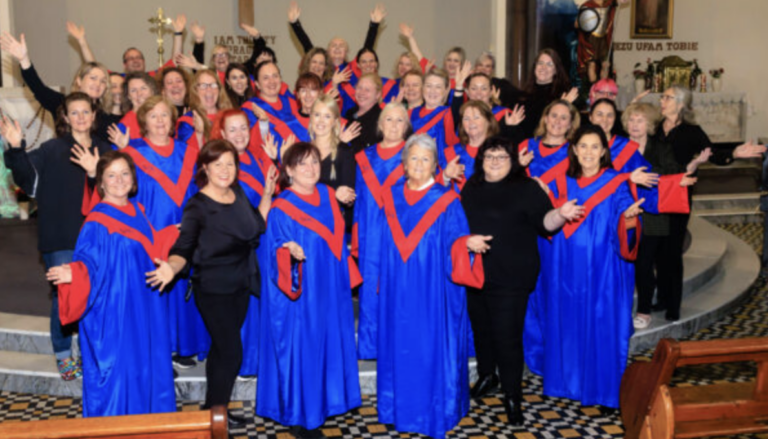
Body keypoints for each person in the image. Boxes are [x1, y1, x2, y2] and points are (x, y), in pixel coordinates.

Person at [148, 139, 273, 428]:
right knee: (232, 352)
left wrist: (266, 195)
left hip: (241, 284)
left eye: (230, 164)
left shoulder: (238, 192)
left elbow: (256, 227)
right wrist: (172, 267)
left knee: (220, 350)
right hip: (213, 289)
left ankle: (214, 410)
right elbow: (184, 247)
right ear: (205, 167)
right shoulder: (198, 205)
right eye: (218, 165)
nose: (225, 170)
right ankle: (215, 417)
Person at [460, 136, 582, 425]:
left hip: (512, 276)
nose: (494, 161)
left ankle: (513, 396)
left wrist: (560, 215)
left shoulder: (526, 187)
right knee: (482, 330)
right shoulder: (472, 187)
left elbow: (545, 223)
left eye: (502, 156)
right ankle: (488, 375)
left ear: (513, 160)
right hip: (476, 272)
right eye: (489, 156)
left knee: (507, 338)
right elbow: (458, 223)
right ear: (481, 160)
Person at [46, 151, 177, 417]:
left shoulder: (137, 209)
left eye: (125, 173)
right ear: (101, 183)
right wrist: (77, 273)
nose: (119, 180)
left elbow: (146, 250)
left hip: (145, 307)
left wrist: (178, 234)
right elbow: (90, 263)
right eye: (111, 175)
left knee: (146, 369)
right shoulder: (97, 222)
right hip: (116, 315)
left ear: (133, 179)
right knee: (121, 375)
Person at [526, 125, 644, 409]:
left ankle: (602, 389)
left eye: (595, 146)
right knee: (565, 322)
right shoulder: (560, 182)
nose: (589, 152)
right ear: (574, 150)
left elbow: (625, 216)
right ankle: (565, 383)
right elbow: (543, 221)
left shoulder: (616, 183)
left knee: (600, 324)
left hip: (601, 271)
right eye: (583, 146)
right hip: (562, 270)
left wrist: (628, 218)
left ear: (603, 151)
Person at [376, 134, 483, 439]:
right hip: (398, 289)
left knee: (430, 348)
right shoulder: (391, 197)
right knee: (400, 345)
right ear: (404, 163)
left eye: (426, 159)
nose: (419, 164)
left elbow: (456, 242)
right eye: (414, 158)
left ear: (436, 165)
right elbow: (382, 246)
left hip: (433, 291)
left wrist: (467, 244)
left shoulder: (447, 200)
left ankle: (435, 409)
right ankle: (398, 408)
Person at [2, 92, 112, 381]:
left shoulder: (106, 149)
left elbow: (118, 193)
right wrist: (15, 149)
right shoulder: (52, 149)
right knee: (64, 296)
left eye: (85, 112)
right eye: (74, 112)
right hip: (61, 235)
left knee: (98, 294)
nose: (80, 117)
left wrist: (94, 173)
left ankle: (95, 351)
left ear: (93, 115)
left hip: (98, 237)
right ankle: (64, 354)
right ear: (65, 117)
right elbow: (27, 182)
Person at [257, 142, 361, 438]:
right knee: (303, 347)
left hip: (330, 288)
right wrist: (286, 250)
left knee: (327, 344)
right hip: (301, 292)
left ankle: (324, 402)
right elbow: (272, 253)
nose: (311, 168)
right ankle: (300, 415)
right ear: (288, 170)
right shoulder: (281, 208)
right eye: (302, 164)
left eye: (315, 162)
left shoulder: (329, 195)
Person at [111, 96, 210, 368]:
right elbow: (127, 197)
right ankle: (159, 353)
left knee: (183, 286)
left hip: (186, 230)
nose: (160, 121)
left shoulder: (188, 152)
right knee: (156, 289)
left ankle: (184, 345)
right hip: (152, 233)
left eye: (165, 115)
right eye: (153, 116)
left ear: (173, 120)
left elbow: (199, 192)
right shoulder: (133, 153)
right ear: (143, 121)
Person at [653, 85, 765, 321]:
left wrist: (734, 153)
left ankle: (673, 305)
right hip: (655, 194)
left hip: (678, 194)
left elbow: (712, 152)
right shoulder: (654, 128)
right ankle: (661, 298)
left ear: (681, 104)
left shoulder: (692, 132)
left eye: (668, 97)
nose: (662, 100)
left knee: (673, 251)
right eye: (662, 96)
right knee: (658, 251)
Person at [624, 103, 708, 329]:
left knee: (644, 264)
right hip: (624, 214)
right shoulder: (618, 147)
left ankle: (643, 310)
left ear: (650, 124)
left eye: (640, 120)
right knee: (624, 264)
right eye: (631, 120)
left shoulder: (661, 147)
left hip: (654, 215)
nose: (634, 124)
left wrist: (650, 176)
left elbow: (672, 172)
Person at [210, 109, 278, 379]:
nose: (239, 134)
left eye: (243, 128)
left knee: (260, 300)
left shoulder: (255, 157)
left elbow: (275, 192)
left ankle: (262, 358)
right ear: (223, 133)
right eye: (233, 129)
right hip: (239, 245)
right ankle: (247, 363)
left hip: (264, 242)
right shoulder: (219, 165)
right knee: (245, 304)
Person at [353, 102, 411, 360]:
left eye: (400, 120)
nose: (394, 125)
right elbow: (360, 201)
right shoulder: (365, 157)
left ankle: (398, 344)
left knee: (400, 287)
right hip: (371, 233)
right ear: (380, 124)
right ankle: (370, 345)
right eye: (389, 119)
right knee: (370, 288)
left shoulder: (415, 155)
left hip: (402, 232)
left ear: (407, 126)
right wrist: (357, 238)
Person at [0, 32, 118, 141]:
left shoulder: (109, 119)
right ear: (79, 81)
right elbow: (38, 88)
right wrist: (24, 59)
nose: (98, 84)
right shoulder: (62, 104)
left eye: (103, 81)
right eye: (93, 78)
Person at [244, 61, 308, 155]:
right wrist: (263, 124)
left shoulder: (293, 103)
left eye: (275, 76)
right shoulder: (250, 108)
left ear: (280, 79)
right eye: (266, 78)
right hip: (271, 164)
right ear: (257, 84)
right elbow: (251, 146)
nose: (272, 81)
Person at [518, 99, 581, 186]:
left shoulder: (575, 152)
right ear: (546, 119)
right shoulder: (526, 145)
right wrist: (516, 167)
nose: (557, 121)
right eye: (554, 116)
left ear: (570, 124)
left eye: (563, 118)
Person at [441, 100, 501, 191]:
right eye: (466, 118)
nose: (471, 122)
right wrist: (445, 177)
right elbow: (436, 191)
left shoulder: (501, 153)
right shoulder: (450, 153)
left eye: (476, 117)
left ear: (489, 122)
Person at [519, 49, 578, 138]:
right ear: (535, 67)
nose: (543, 67)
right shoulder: (524, 94)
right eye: (540, 63)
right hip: (526, 144)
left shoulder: (564, 95)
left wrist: (564, 105)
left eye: (549, 64)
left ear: (556, 70)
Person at [177, 70, 233, 145]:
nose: (209, 89)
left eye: (213, 85)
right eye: (203, 86)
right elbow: (189, 154)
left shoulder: (230, 116)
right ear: (195, 90)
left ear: (219, 90)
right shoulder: (188, 122)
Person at [344, 73, 384, 153]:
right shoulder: (349, 113)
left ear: (377, 94)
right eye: (359, 88)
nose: (362, 92)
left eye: (367, 90)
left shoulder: (382, 119)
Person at [117, 72, 158, 139]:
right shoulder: (124, 126)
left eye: (143, 88)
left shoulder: (164, 116)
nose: (139, 94)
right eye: (133, 90)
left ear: (152, 91)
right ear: (128, 96)